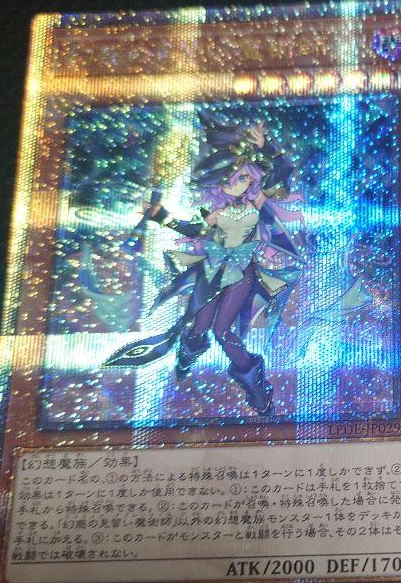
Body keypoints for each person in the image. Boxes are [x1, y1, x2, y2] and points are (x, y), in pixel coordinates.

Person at [104, 112, 306, 414]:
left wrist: (268, 147)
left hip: (240, 273)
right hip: (211, 270)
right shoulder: (216, 211)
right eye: (234, 177)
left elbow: (285, 170)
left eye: (244, 177)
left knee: (223, 331)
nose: (239, 181)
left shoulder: (256, 202)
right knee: (199, 326)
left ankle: (257, 391)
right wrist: (160, 215)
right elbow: (194, 230)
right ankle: (185, 358)